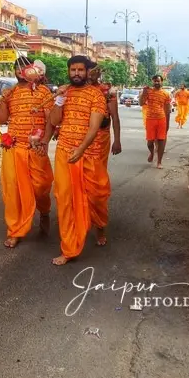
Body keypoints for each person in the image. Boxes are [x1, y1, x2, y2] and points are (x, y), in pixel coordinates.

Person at [41, 55, 109, 265]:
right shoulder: (63, 93)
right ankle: (70, 248)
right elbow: (54, 121)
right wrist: (59, 100)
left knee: (97, 196)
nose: (76, 74)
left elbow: (94, 126)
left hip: (88, 153)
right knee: (65, 199)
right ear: (69, 71)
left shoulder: (96, 95)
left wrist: (81, 149)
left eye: (81, 70)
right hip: (64, 152)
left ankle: (100, 226)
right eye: (73, 70)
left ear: (87, 72)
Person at [0, 57, 54, 248]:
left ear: (33, 71)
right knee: (12, 190)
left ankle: (44, 212)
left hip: (35, 148)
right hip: (13, 147)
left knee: (40, 186)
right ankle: (15, 230)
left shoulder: (43, 92)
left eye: (25, 68)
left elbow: (50, 120)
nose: (21, 71)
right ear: (14, 72)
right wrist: (3, 100)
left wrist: (44, 140)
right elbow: (2, 119)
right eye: (17, 68)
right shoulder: (10, 93)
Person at [88, 69, 122, 246]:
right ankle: (80, 222)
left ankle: (100, 226)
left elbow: (114, 117)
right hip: (77, 143)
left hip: (100, 142)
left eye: (94, 72)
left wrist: (117, 140)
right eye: (88, 71)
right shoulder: (72, 91)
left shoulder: (107, 93)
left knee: (97, 186)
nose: (90, 75)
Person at [139, 74, 171, 169]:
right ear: (152, 82)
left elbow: (167, 110)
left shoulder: (166, 94)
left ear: (162, 82)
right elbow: (141, 103)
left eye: (158, 81)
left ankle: (159, 162)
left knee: (161, 140)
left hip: (161, 119)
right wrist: (144, 93)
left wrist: (167, 124)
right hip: (150, 119)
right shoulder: (148, 92)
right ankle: (152, 153)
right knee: (150, 142)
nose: (157, 82)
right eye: (155, 81)